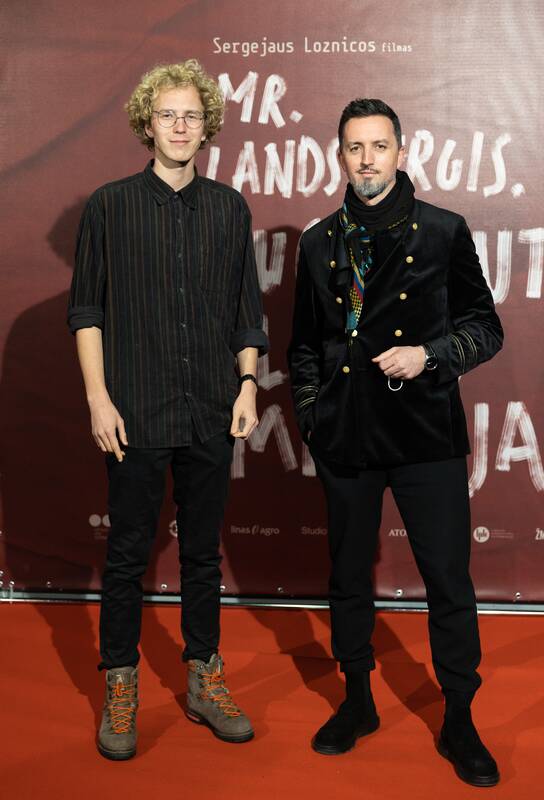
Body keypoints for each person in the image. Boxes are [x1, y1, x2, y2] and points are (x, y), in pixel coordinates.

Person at [288, 98, 503, 787]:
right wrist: (314, 416)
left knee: (448, 579)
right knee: (349, 575)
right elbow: (304, 348)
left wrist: (430, 356)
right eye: (355, 147)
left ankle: (459, 715)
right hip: (346, 436)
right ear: (340, 156)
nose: (368, 159)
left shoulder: (442, 231)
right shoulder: (320, 242)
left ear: (402, 153)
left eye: (379, 146)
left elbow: (486, 327)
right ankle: (357, 699)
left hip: (425, 433)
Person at [68, 60, 268, 760]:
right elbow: (86, 311)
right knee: (127, 554)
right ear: (146, 125)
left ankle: (204, 678)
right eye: (167, 115)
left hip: (211, 409)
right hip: (133, 413)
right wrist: (98, 399)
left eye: (192, 115)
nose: (180, 127)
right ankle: (120, 684)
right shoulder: (109, 206)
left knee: (202, 555)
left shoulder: (229, 209)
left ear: (207, 125)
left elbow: (246, 311)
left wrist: (248, 385)